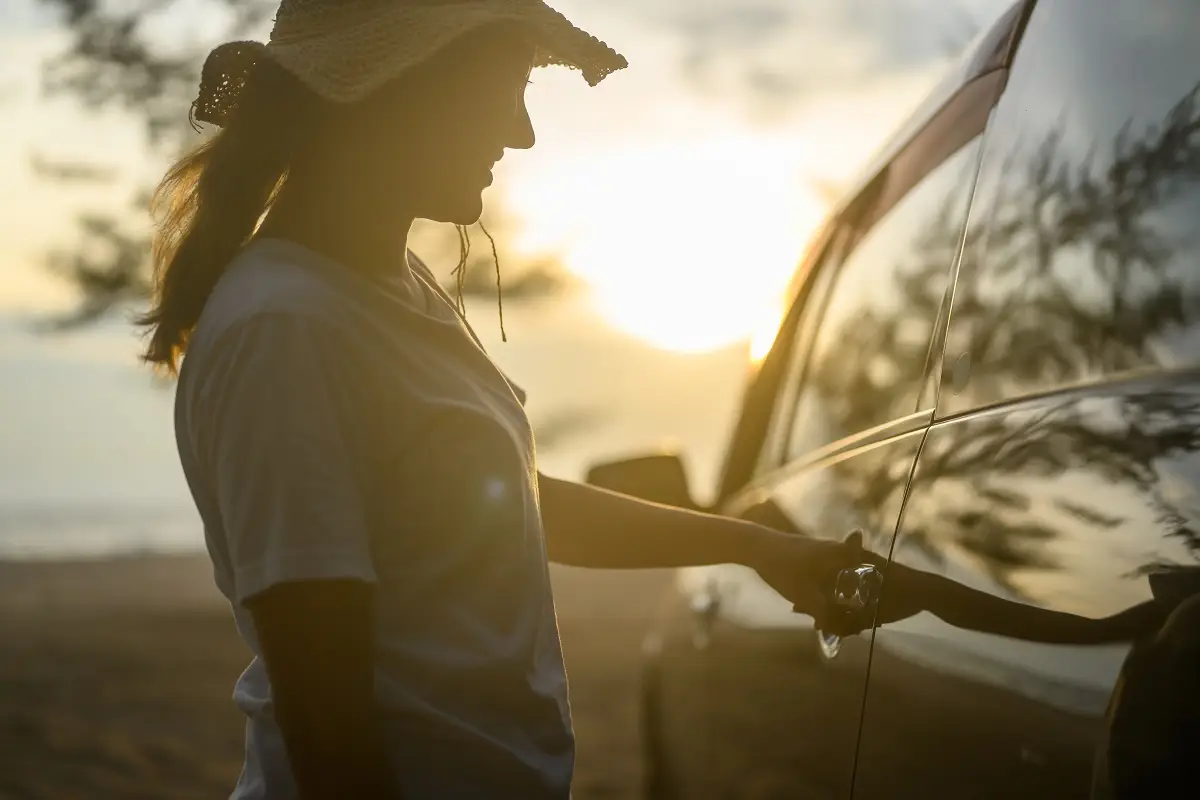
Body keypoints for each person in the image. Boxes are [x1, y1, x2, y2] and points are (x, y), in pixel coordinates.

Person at [140, 2, 856, 798]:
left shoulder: (386, 286)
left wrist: (757, 546)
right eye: (504, 91)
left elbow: (500, 501)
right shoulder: (288, 327)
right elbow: (326, 723)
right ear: (400, 90)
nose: (521, 134)